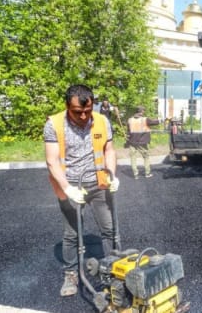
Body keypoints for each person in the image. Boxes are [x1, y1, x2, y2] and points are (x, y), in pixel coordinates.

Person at [44, 84, 120, 297]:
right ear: (67, 106)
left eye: (88, 110)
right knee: (71, 234)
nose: (84, 116)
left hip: (98, 183)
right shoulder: (54, 124)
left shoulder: (102, 120)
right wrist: (68, 188)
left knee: (110, 229)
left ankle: (112, 271)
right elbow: (51, 161)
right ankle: (71, 274)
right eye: (78, 112)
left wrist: (112, 174)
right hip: (70, 185)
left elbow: (109, 150)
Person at [127, 106, 160, 179]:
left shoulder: (130, 120)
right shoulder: (145, 119)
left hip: (132, 142)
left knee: (133, 158)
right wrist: (162, 120)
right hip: (142, 142)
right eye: (143, 111)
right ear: (142, 112)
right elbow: (155, 122)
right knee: (146, 157)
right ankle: (147, 173)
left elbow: (128, 132)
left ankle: (135, 175)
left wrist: (127, 141)